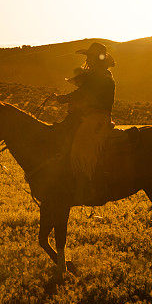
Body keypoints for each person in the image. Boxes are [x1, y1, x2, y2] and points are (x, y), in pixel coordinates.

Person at [51, 42, 115, 200]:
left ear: (97, 59)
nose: (88, 60)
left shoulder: (100, 76)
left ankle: (86, 183)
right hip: (90, 115)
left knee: (81, 143)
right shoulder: (98, 75)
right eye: (88, 57)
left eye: (91, 57)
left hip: (98, 117)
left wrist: (62, 99)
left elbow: (84, 93)